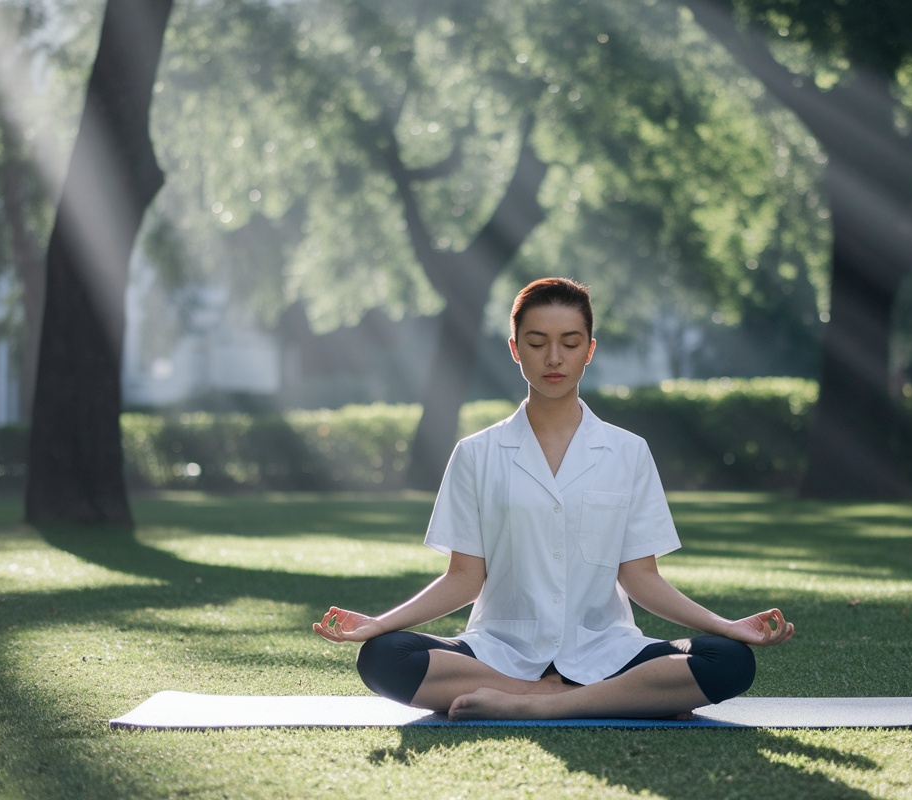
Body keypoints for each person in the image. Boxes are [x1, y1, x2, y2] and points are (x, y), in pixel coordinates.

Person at [314, 277, 794, 721]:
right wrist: (378, 624)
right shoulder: (476, 454)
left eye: (570, 343)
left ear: (589, 350)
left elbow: (641, 577)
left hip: (605, 650)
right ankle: (563, 697)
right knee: (382, 656)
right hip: (500, 652)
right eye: (537, 343)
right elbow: (463, 578)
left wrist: (726, 626)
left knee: (729, 661)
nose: (554, 359)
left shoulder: (628, 452)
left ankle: (545, 705)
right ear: (515, 349)